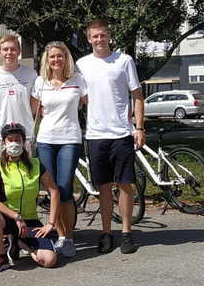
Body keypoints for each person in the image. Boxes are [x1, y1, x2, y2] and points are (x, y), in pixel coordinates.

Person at [75, 19, 145, 254]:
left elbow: (137, 96)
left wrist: (139, 127)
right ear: (88, 38)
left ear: (109, 36)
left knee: (125, 184)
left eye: (103, 35)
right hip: (95, 135)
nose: (99, 39)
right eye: (95, 36)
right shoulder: (81, 64)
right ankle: (106, 233)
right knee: (103, 187)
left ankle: (126, 233)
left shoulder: (124, 61)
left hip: (121, 133)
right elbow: (79, 97)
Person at [32, 41, 87, 258]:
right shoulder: (41, 82)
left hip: (70, 140)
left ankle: (70, 239)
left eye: (60, 56)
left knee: (65, 189)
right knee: (52, 190)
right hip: (45, 140)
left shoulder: (78, 80)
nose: (56, 60)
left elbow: (90, 103)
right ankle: (61, 237)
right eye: (52, 56)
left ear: (66, 58)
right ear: (47, 59)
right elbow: (32, 111)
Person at [0, 123, 60, 274]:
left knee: (49, 260)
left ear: (24, 142)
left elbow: (55, 192)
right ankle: (2, 256)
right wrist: (16, 217)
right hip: (7, 219)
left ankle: (17, 242)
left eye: (17, 139)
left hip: (30, 220)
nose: (14, 142)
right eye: (9, 139)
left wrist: (50, 224)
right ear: (4, 143)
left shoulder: (36, 164)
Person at [0, 35, 38, 163]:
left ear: (19, 52)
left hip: (25, 135)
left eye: (13, 49)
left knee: (27, 176)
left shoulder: (31, 74)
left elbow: (33, 105)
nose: (9, 53)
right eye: (5, 49)